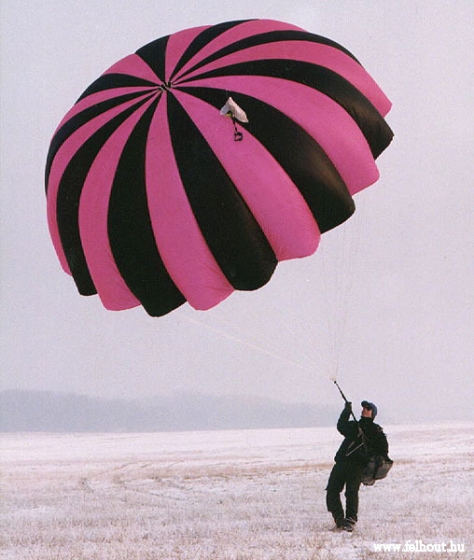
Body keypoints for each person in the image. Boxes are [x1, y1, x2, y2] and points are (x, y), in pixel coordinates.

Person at [326, 400, 389, 532]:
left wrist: (371, 457)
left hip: (357, 466)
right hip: (341, 462)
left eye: (368, 408)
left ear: (373, 414)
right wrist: (346, 411)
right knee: (332, 491)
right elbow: (341, 426)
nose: (364, 409)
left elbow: (383, 451)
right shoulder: (355, 425)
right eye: (364, 408)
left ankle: (350, 521)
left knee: (351, 492)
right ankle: (339, 519)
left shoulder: (376, 430)